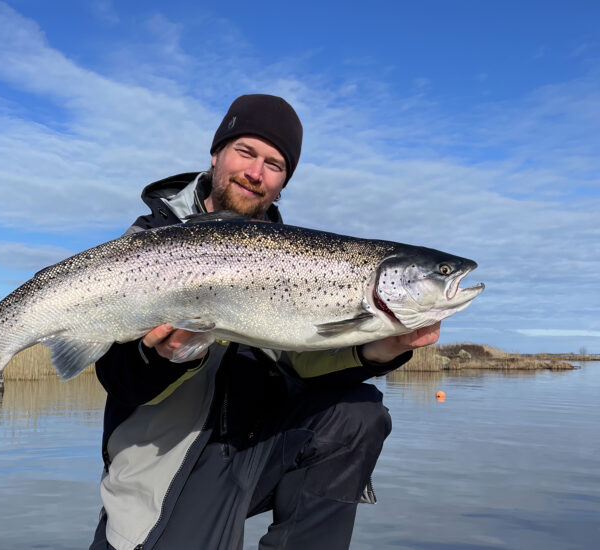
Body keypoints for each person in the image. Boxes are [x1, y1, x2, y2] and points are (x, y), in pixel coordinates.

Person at [90, 94, 440, 550]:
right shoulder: (145, 246)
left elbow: (299, 365)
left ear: (283, 182)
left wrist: (379, 350)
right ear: (216, 154)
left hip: (258, 450)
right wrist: (164, 358)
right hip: (166, 466)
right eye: (246, 152)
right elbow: (117, 379)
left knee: (358, 414)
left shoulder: (294, 260)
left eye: (274, 164)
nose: (256, 173)